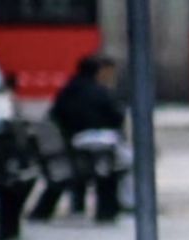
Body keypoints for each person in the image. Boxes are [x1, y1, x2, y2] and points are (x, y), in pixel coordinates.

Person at [50, 54, 133, 208]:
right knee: (128, 160)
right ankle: (128, 201)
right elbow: (116, 117)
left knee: (119, 159)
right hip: (91, 140)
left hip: (72, 139)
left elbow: (56, 114)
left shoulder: (69, 89)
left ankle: (123, 200)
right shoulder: (97, 90)